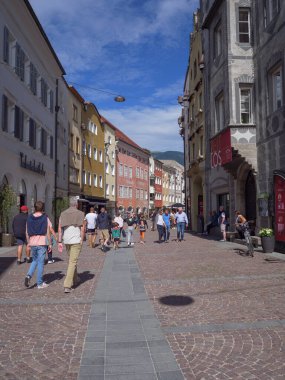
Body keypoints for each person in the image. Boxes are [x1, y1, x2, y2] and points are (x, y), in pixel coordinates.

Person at [57, 197, 85, 293]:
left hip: (66, 240)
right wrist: (82, 240)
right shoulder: (80, 214)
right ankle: (67, 285)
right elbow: (82, 229)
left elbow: (60, 228)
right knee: (72, 262)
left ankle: (76, 278)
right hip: (76, 240)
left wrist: (59, 241)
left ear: (69, 204)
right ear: (76, 204)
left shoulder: (63, 213)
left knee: (72, 260)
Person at [24, 201, 51, 289]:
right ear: (43, 208)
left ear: (35, 208)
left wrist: (28, 242)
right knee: (40, 263)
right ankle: (39, 283)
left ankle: (28, 276)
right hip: (42, 242)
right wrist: (49, 243)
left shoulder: (29, 218)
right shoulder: (45, 218)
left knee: (34, 260)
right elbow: (48, 232)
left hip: (32, 242)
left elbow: (27, 232)